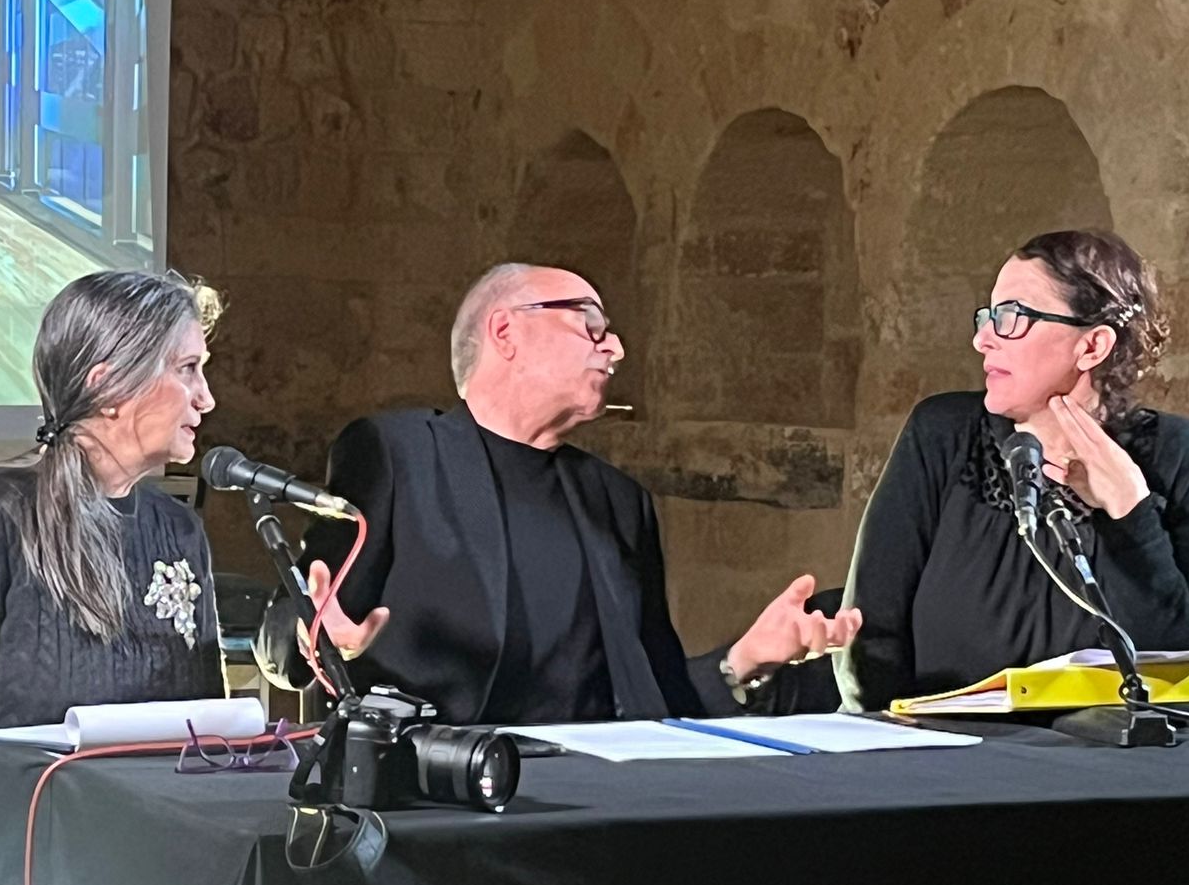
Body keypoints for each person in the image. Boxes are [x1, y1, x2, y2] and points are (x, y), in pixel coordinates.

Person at [255, 263, 860, 725]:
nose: (615, 347)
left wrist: (744, 659)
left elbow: (656, 700)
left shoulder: (619, 501)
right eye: (590, 323)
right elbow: (285, 632)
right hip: (443, 794)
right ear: (505, 331)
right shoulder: (399, 454)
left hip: (598, 801)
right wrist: (313, 635)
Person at [0, 269, 223, 885]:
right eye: (188, 370)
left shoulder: (178, 531)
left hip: (135, 850)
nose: (207, 399)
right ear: (109, 386)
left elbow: (202, 730)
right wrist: (79, 798)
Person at [836, 229, 1189, 713]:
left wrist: (1131, 511)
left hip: (1107, 755)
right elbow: (868, 635)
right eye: (988, 316)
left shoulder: (1179, 456)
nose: (982, 339)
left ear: (1092, 346)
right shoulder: (943, 434)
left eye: (1012, 317)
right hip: (938, 749)